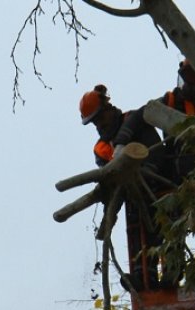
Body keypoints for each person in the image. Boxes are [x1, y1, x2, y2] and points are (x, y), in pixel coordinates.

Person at [79, 84, 171, 291]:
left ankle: (172, 270)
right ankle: (142, 276)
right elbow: (108, 177)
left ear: (108, 108)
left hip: (160, 185)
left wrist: (148, 171)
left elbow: (157, 151)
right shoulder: (101, 148)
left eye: (100, 118)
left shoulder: (134, 120)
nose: (99, 125)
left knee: (167, 227)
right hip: (134, 196)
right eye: (94, 123)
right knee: (138, 231)